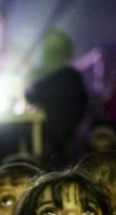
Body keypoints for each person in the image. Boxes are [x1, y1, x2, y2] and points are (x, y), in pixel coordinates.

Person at [25, 29, 88, 168]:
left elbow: (33, 98)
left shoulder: (42, 76)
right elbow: (83, 104)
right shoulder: (73, 76)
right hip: (67, 135)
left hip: (49, 135)